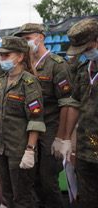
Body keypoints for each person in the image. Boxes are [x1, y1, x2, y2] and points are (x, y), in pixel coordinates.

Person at [15, 23, 73, 208]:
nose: (25, 42)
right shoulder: (23, 67)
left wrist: (62, 137)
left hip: (50, 129)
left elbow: (66, 103)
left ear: (41, 37)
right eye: (22, 39)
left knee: (49, 181)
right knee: (31, 180)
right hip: (29, 129)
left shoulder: (57, 65)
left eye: (28, 38)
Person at [0, 36, 46, 208]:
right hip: (2, 149)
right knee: (6, 196)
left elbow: (35, 119)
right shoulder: (1, 82)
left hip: (19, 151)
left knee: (22, 199)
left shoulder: (29, 83)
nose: (2, 60)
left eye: (6, 55)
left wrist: (30, 150)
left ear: (20, 57)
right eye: (0, 56)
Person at [63, 18, 98, 207]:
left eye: (88, 47)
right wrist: (68, 138)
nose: (85, 53)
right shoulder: (85, 70)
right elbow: (75, 104)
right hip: (87, 149)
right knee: (87, 199)